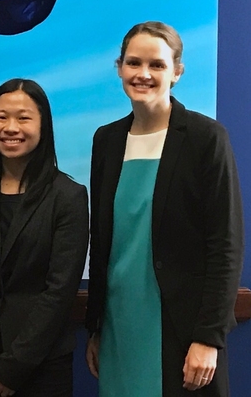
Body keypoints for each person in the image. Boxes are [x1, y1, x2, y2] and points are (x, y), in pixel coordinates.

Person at [85, 21, 244, 396]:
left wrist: (209, 337)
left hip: (183, 333)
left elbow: (226, 245)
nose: (143, 73)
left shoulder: (207, 138)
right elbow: (103, 241)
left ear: (177, 73)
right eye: (133, 62)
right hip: (119, 327)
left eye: (156, 64)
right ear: (119, 68)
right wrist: (96, 328)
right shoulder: (106, 141)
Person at [0, 78, 89, 397]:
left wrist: (13, 368)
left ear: (43, 125)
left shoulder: (68, 197)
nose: (11, 127)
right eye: (1, 117)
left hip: (43, 365)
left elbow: (59, 291)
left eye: (24, 118)